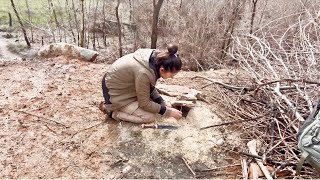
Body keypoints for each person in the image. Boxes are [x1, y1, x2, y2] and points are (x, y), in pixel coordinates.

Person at [100, 44, 183, 123]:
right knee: (149, 117)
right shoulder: (144, 73)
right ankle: (113, 113)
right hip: (115, 93)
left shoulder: (156, 59)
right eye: (172, 74)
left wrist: (161, 101)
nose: (172, 77)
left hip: (123, 85)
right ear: (162, 69)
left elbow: (148, 86)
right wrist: (168, 112)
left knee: (154, 105)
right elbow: (144, 104)